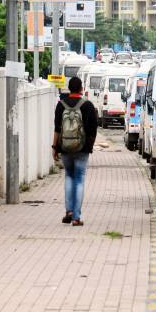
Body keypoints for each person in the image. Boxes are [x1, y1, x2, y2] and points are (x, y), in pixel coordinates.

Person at [52, 77, 98, 226]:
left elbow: (57, 129)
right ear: (81, 88)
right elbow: (93, 129)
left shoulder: (61, 105)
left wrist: (54, 147)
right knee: (79, 179)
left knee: (69, 177)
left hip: (65, 147)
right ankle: (76, 217)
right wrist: (89, 146)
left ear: (69, 88)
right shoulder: (88, 105)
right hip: (82, 149)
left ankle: (69, 211)